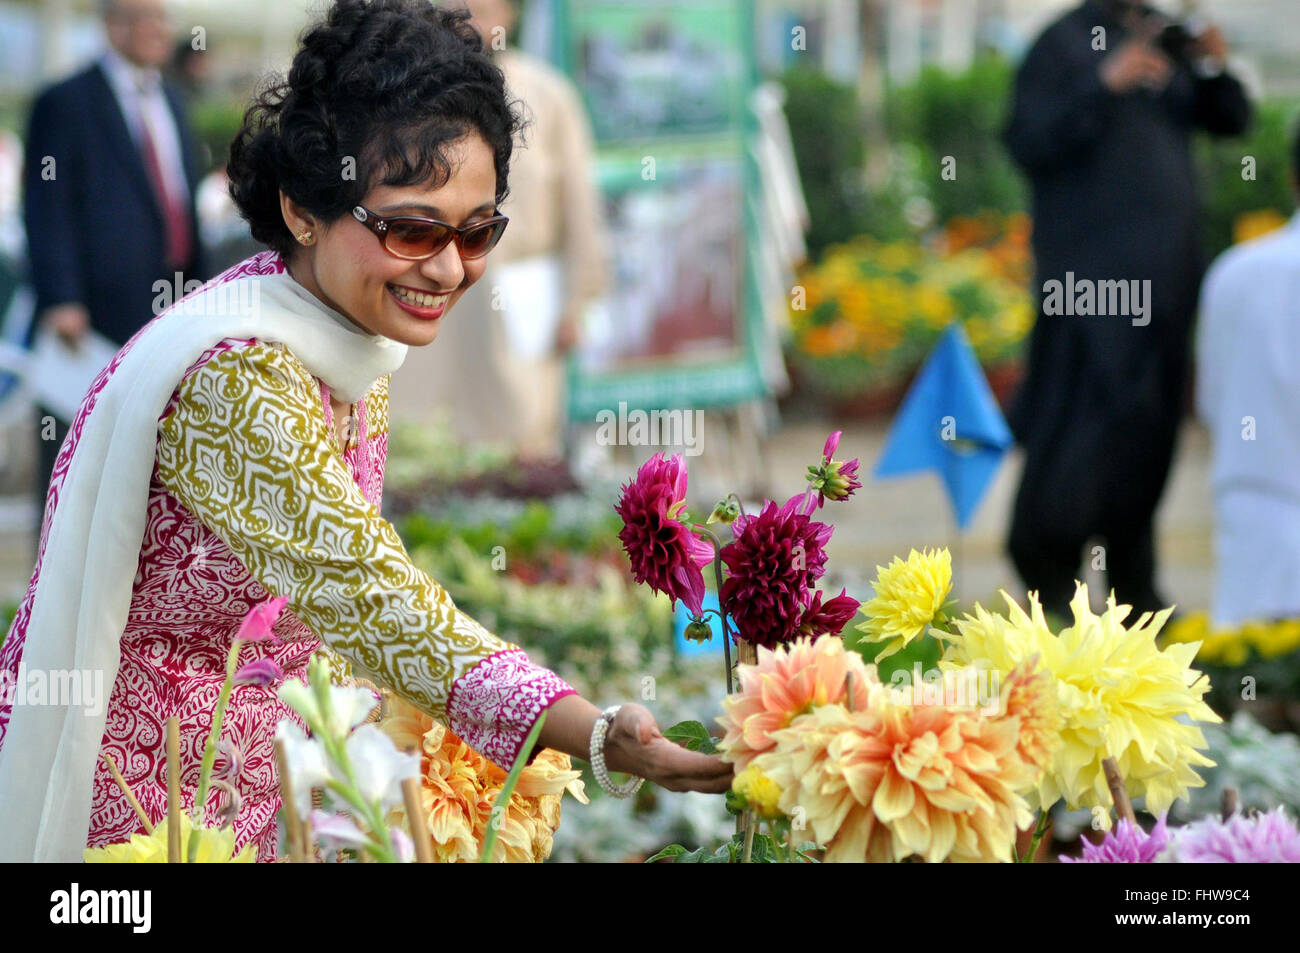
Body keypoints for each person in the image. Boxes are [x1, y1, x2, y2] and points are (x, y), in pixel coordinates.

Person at [0, 0, 728, 863]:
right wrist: (597, 732)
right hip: (146, 809)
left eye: (477, 230)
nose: (450, 267)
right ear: (304, 207)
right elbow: (372, 598)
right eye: (412, 228)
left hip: (273, 781)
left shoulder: (341, 334)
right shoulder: (240, 374)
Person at [1003, 0, 1251, 618]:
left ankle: (1133, 591)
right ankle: (1049, 591)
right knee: (1077, 435)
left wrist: (1214, 65)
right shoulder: (1061, 43)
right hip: (1087, 297)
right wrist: (1103, 83)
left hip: (1164, 293)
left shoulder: (1166, 44)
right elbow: (1027, 139)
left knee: (1146, 437)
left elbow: (1231, 119)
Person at [387, 0, 610, 461]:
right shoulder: (406, 92)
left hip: (519, 294)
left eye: (487, 8)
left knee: (521, 439)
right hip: (428, 284)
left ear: (510, 15)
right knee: (423, 437)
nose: (474, 20)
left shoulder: (548, 95)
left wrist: (579, 301)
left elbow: (580, 209)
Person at [23, 0, 207, 527]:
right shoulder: (65, 101)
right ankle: (54, 592)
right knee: (73, 454)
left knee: (143, 460)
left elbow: (179, 199)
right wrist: (61, 297)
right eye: (145, 18)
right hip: (94, 315)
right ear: (112, 24)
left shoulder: (172, 97)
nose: (158, 30)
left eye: (162, 19)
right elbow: (46, 203)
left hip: (169, 307)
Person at [1196, 125, 1300, 627]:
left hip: (1253, 508)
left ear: (1291, 178)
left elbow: (1212, 403)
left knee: (1246, 684)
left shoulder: (1234, 271)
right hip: (1257, 505)